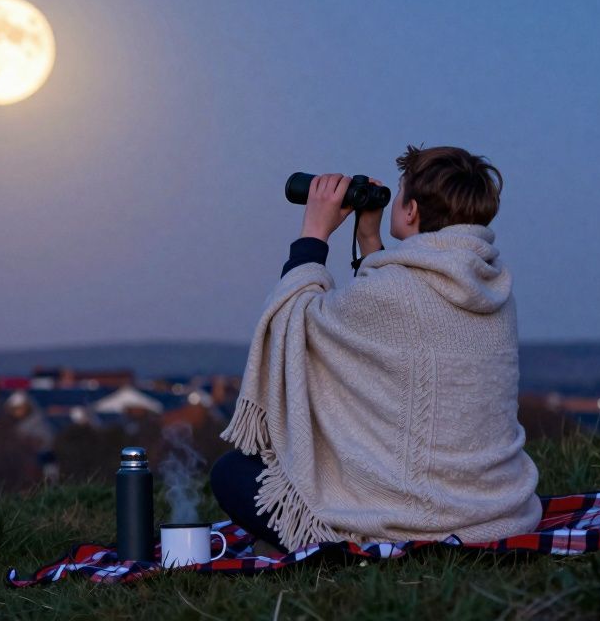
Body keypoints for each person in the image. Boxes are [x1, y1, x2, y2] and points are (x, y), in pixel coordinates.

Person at [210, 145, 540, 553]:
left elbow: (293, 325)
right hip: (495, 511)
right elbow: (400, 314)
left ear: (411, 211)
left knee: (230, 474)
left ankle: (328, 540)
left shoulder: (395, 292)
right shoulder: (494, 291)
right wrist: (369, 238)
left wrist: (314, 232)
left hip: (409, 519)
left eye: (400, 192)